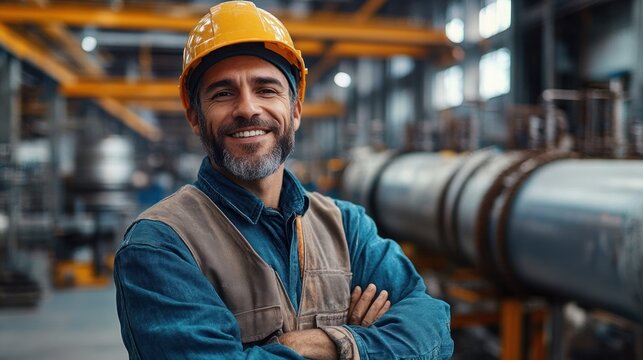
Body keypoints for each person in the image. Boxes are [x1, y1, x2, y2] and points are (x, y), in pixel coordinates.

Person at [113, 1, 454, 359]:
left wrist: (331, 344)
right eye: (223, 93)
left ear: (295, 110)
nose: (247, 109)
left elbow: (432, 326)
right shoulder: (160, 245)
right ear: (195, 117)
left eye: (266, 89)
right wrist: (360, 338)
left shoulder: (347, 227)